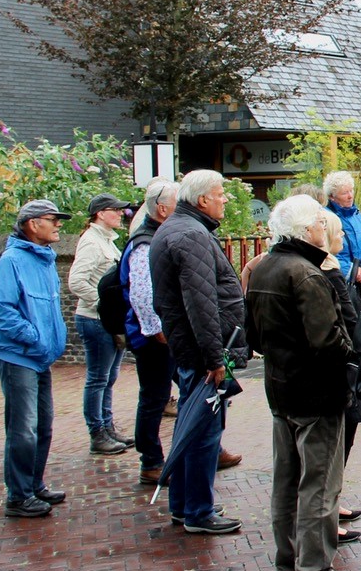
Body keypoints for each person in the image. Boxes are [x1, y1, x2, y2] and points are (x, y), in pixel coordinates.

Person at [245, 195, 359, 571]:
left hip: (281, 389)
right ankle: (314, 569)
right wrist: (354, 362)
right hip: (317, 394)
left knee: (286, 481)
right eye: (318, 224)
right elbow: (328, 342)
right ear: (305, 230)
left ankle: (286, 564)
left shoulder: (263, 268)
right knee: (319, 484)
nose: (324, 230)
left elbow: (254, 335)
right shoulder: (306, 274)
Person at [149, 170, 250, 533]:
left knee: (190, 426)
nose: (225, 200)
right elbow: (201, 303)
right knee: (205, 432)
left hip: (191, 349)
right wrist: (214, 358)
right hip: (203, 355)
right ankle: (198, 512)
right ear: (203, 199)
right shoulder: (191, 235)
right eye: (221, 194)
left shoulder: (177, 229)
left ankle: (185, 506)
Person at [0, 199, 72, 518]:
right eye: (53, 219)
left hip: (39, 357)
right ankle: (18, 496)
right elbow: (2, 311)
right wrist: (35, 338)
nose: (58, 225)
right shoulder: (12, 260)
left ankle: (34, 484)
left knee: (44, 426)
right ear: (32, 224)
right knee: (23, 428)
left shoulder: (44, 259)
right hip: (19, 356)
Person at [123, 180, 182, 486]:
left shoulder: (159, 236)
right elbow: (143, 294)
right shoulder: (145, 243)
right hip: (154, 337)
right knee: (154, 398)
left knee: (194, 389)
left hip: (167, 332)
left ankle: (203, 447)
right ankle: (151, 461)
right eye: (177, 202)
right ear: (162, 209)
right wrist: (158, 332)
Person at [321, 208, 361, 541]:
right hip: (331, 375)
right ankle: (325, 518)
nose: (344, 238)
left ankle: (333, 500)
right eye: (339, 234)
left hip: (341, 373)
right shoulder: (321, 273)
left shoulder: (327, 269)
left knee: (345, 435)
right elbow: (342, 321)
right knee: (326, 447)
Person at [68, 193, 133, 456]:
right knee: (98, 378)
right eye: (114, 210)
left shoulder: (107, 241)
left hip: (106, 320)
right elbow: (76, 280)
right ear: (99, 214)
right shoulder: (91, 243)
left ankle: (107, 427)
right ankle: (97, 433)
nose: (121, 214)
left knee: (109, 377)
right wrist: (102, 303)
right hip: (94, 320)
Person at [324, 171, 361, 288]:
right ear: (332, 196)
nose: (350, 196)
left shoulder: (358, 215)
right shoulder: (326, 218)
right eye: (344, 193)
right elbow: (327, 253)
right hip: (340, 283)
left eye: (351, 190)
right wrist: (353, 272)